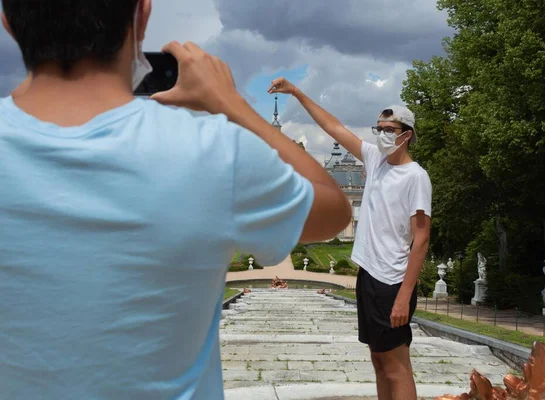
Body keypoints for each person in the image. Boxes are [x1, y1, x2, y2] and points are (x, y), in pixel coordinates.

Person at [0, 1, 352, 399]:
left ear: (7, 21)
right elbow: (333, 209)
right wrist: (230, 103)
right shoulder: (213, 151)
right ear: (142, 15)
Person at [269, 78, 432, 400]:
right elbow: (333, 126)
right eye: (378, 128)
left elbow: (422, 238)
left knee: (397, 366)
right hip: (370, 275)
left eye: (389, 129)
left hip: (392, 281)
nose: (382, 135)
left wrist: (404, 296)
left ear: (406, 135)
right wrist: (299, 93)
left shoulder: (417, 177)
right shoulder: (375, 160)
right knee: (379, 361)